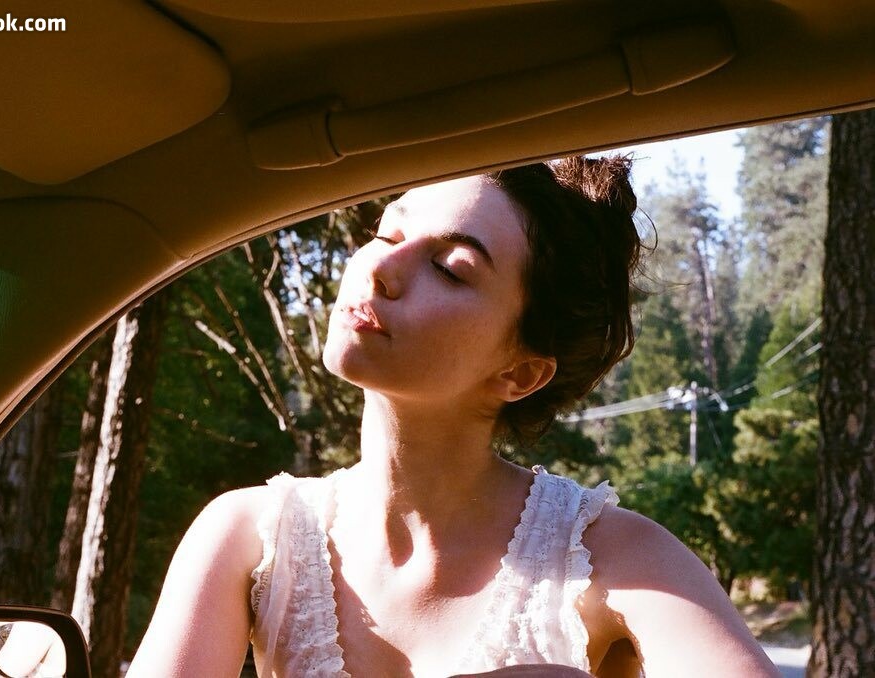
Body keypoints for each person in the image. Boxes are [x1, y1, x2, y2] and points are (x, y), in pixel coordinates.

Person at [127, 157, 779, 677]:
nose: (379, 268)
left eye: (449, 269)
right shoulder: (248, 536)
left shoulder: (613, 555)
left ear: (520, 372)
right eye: (387, 233)